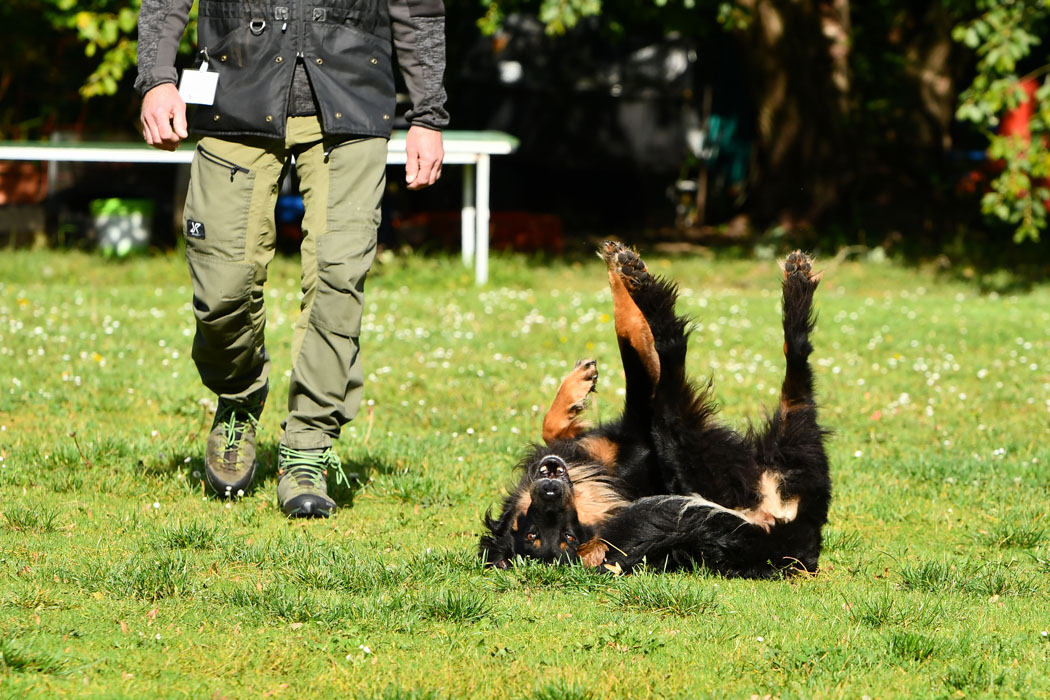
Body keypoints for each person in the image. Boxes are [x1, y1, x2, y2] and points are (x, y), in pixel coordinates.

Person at [135, 0, 448, 517]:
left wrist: (427, 113)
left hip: (352, 100)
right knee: (221, 290)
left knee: (338, 279)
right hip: (234, 91)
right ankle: (238, 399)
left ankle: (307, 450)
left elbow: (418, 8)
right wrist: (156, 78)